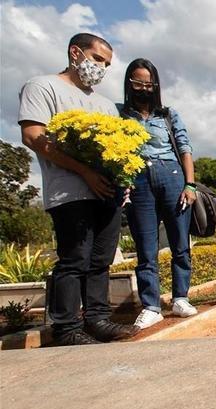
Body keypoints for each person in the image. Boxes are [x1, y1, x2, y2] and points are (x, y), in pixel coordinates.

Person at [18, 33, 138, 345]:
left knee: (101, 260)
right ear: (76, 53)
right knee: (74, 259)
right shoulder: (43, 86)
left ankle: (97, 319)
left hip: (107, 194)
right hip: (69, 193)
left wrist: (122, 181)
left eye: (106, 64)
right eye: (97, 59)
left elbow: (122, 150)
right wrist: (84, 170)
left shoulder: (105, 105)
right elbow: (33, 136)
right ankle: (67, 328)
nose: (101, 67)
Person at [117, 59, 198, 329]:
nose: (142, 88)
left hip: (171, 175)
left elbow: (185, 148)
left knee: (179, 242)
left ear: (155, 85)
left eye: (147, 83)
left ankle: (181, 297)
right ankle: (151, 305)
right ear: (129, 84)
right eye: (137, 82)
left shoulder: (167, 114)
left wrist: (190, 184)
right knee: (145, 246)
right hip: (139, 179)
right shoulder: (120, 115)